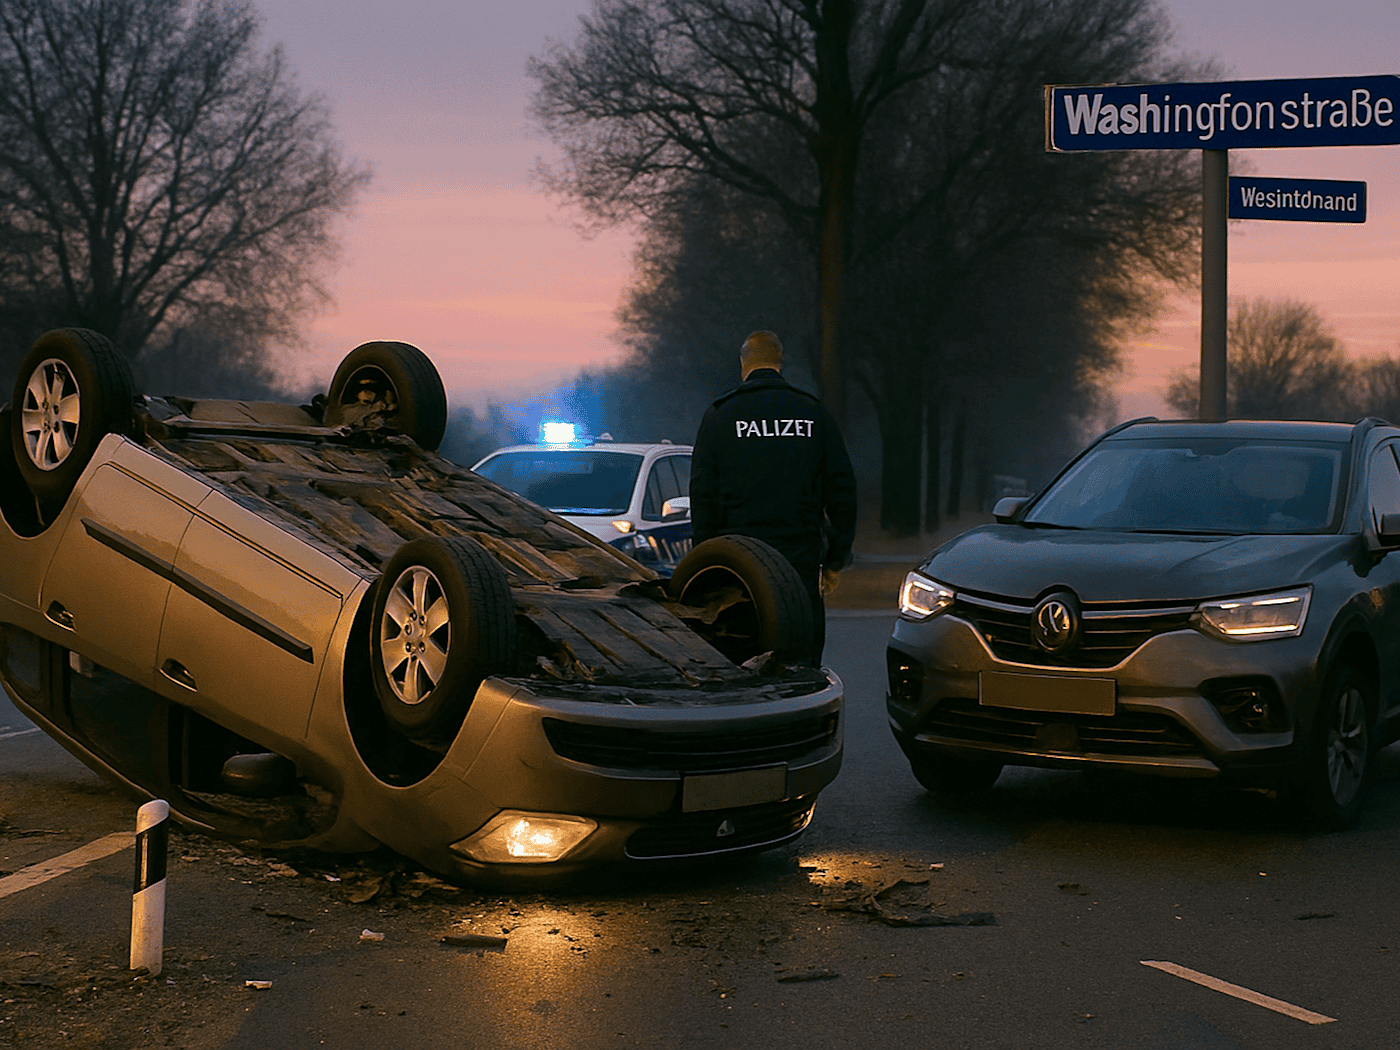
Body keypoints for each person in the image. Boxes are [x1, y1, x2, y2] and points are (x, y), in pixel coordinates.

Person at [690, 330, 857, 664]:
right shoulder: (813, 413)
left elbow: (702, 498)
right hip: (798, 557)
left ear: (743, 364)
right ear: (781, 362)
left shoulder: (720, 416)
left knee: (740, 657)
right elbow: (842, 492)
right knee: (801, 656)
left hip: (739, 563)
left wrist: (707, 560)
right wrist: (836, 559)